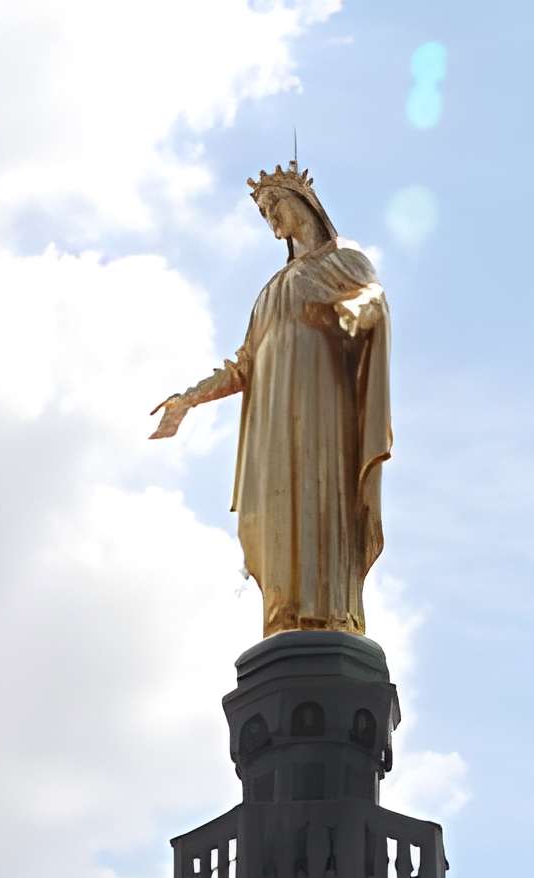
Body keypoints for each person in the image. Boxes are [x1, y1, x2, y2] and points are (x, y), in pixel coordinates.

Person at [150, 165, 390, 638]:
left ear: (303, 203)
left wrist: (352, 312)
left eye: (274, 206)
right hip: (274, 425)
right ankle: (285, 618)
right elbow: (245, 364)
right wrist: (188, 400)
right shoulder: (269, 292)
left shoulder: (344, 261)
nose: (272, 221)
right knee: (280, 514)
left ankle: (332, 613)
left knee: (322, 502)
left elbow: (372, 304)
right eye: (263, 214)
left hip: (322, 412)